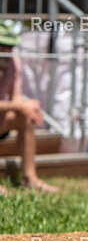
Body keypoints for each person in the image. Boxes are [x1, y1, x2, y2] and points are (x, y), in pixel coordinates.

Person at [0, 21, 58, 194]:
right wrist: (21, 105)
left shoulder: (13, 63)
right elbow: (17, 103)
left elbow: (17, 99)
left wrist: (27, 108)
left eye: (10, 47)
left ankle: (30, 178)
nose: (6, 52)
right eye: (3, 46)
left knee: (25, 117)